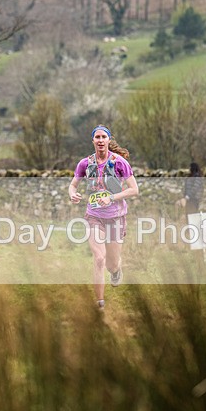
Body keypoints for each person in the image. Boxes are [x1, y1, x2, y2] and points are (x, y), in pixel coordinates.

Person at [68, 125, 139, 310]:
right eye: (97, 137)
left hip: (116, 217)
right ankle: (100, 304)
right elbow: (73, 185)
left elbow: (134, 190)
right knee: (99, 258)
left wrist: (112, 198)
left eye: (103, 137)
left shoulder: (119, 162)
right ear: (93, 140)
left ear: (108, 140)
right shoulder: (85, 163)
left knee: (111, 264)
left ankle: (116, 271)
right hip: (94, 216)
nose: (100, 140)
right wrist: (72, 194)